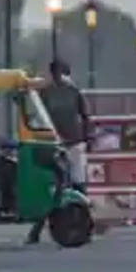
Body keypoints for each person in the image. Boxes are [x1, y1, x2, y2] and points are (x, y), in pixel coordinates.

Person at [33, 60, 91, 244]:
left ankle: (79, 221)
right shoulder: (59, 92)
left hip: (67, 143)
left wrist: (88, 136)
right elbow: (86, 116)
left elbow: (85, 116)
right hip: (60, 143)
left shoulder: (67, 92)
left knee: (72, 184)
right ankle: (77, 222)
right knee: (61, 185)